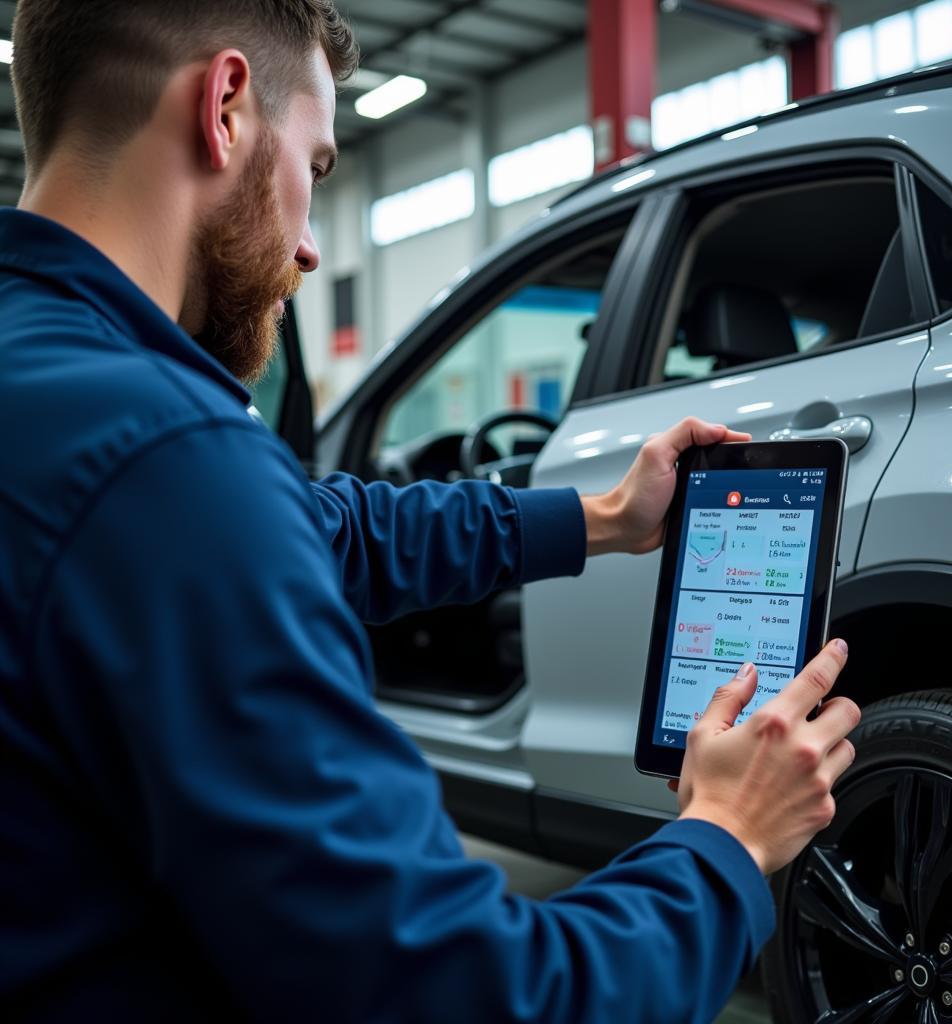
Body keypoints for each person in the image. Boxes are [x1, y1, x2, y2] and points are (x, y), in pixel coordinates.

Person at [0, 2, 860, 1021]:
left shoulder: (55, 389)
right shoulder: (170, 462)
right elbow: (472, 994)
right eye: (315, 171)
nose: (309, 248)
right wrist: (725, 839)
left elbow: (323, 527)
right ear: (225, 106)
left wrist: (604, 517)